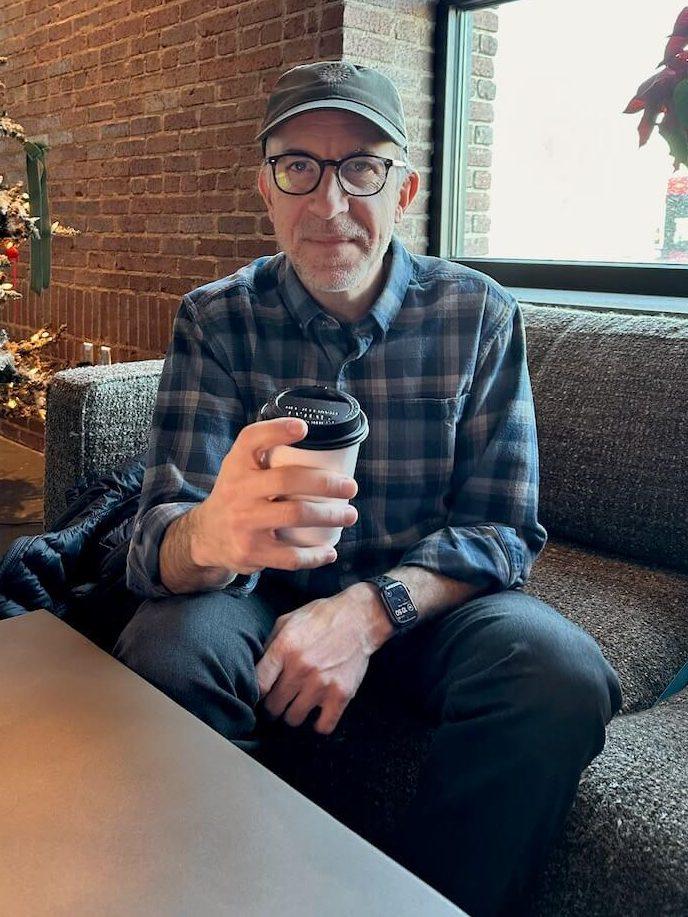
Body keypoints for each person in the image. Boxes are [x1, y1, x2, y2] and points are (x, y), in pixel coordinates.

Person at [117, 61, 622, 916]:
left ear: (405, 189)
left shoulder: (479, 313)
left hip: (425, 605)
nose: (329, 202)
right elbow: (153, 539)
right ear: (265, 188)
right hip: (256, 597)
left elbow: (502, 527)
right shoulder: (216, 318)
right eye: (299, 167)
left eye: (361, 167)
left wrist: (368, 609)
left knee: (559, 672)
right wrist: (209, 533)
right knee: (166, 653)